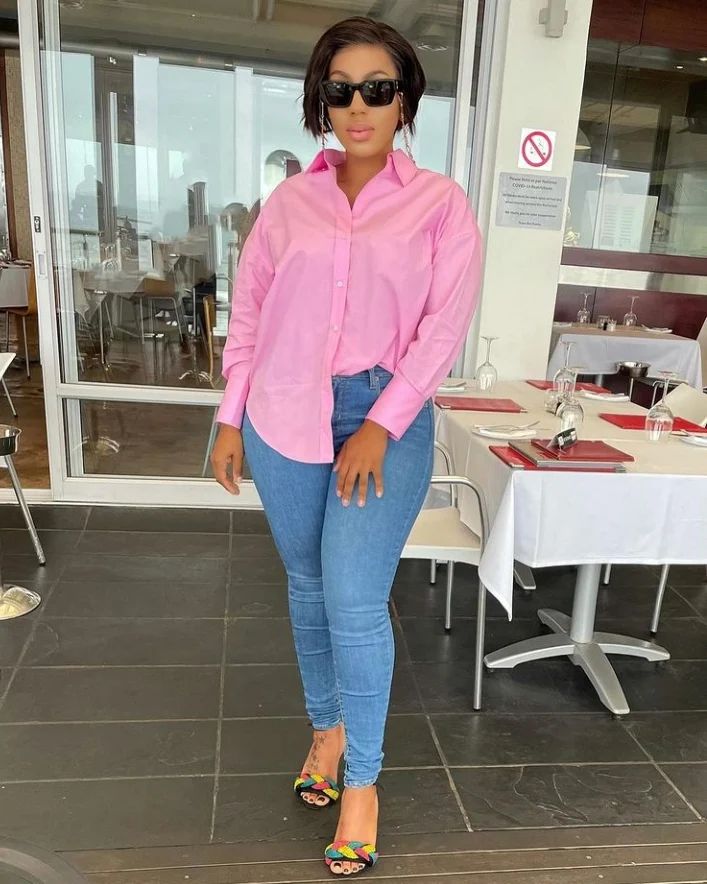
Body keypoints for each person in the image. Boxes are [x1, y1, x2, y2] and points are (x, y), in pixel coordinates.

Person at [211, 16, 482, 877]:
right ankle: (325, 732)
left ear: (404, 101)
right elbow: (249, 314)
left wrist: (380, 421)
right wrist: (229, 417)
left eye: (377, 88)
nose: (357, 105)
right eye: (340, 90)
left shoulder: (440, 205)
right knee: (306, 585)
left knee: (355, 599)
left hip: (382, 414)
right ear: (319, 102)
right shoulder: (287, 206)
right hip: (282, 410)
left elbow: (442, 331)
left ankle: (361, 781)